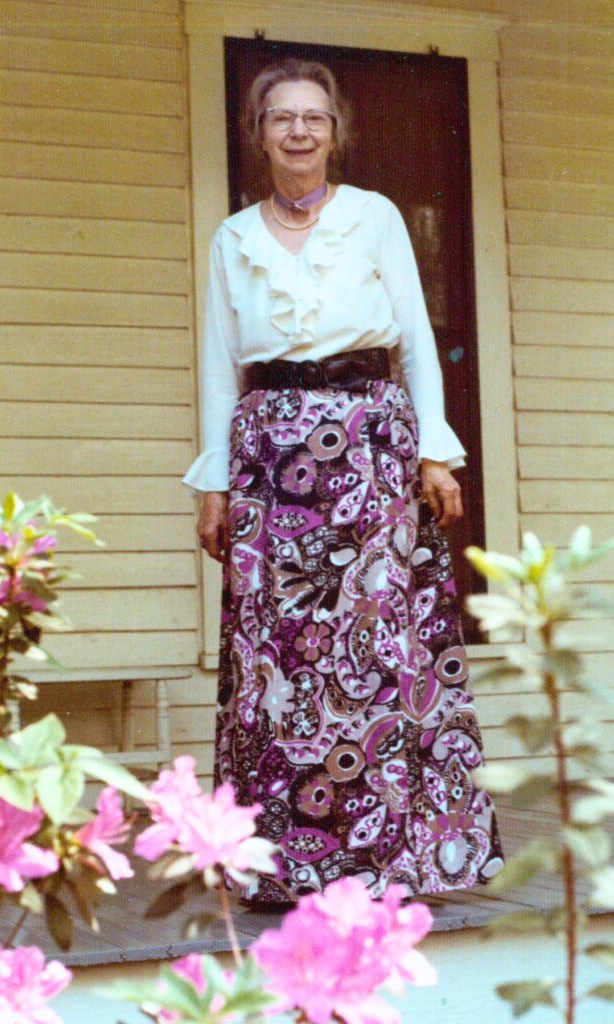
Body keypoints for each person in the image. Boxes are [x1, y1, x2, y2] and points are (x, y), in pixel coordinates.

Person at [183, 58, 503, 906]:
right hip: (267, 458)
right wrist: (213, 484)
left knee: (372, 648)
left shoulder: (373, 217)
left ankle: (385, 858)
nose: (297, 131)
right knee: (279, 658)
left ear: (335, 131)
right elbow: (220, 368)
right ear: (258, 134)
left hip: (366, 445)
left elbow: (417, 344)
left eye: (313, 118)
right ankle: (287, 861)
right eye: (280, 117)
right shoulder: (232, 238)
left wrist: (434, 451)